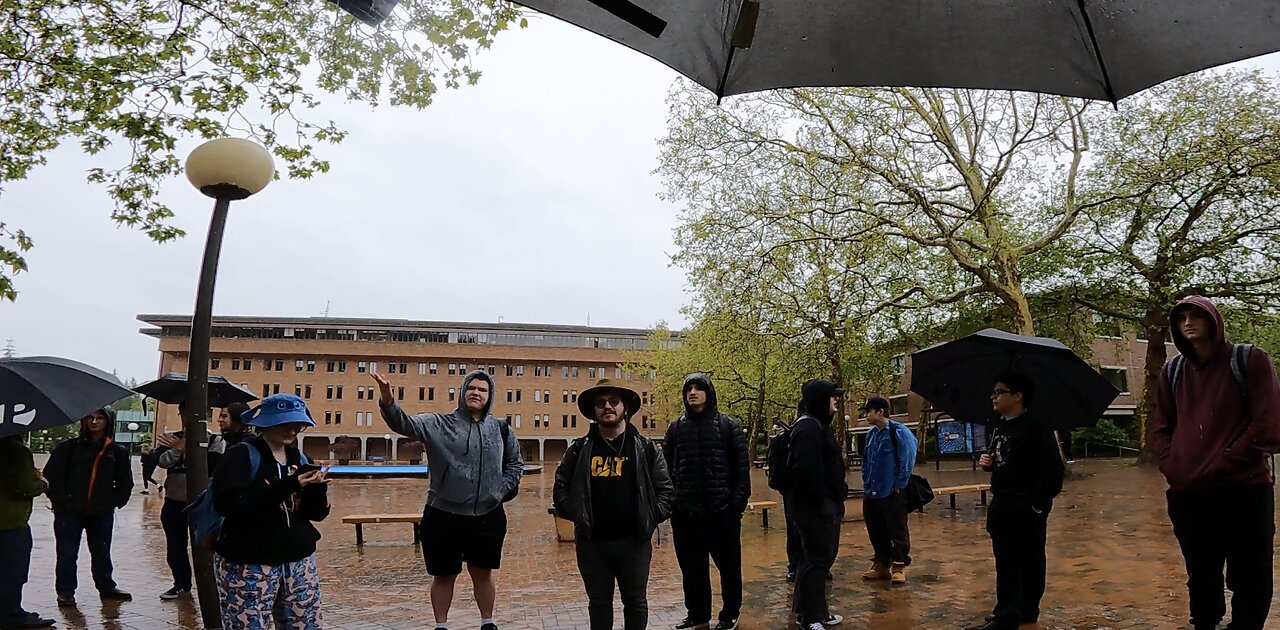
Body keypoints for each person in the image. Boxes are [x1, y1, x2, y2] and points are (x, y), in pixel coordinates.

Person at [1151, 296, 1280, 630]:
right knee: (1201, 572)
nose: (1188, 323)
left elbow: (1267, 426)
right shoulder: (1173, 370)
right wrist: (1172, 465)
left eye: (1197, 316)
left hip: (1244, 490)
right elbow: (1162, 425)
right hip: (1188, 493)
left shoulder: (1250, 360)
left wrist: (1221, 464)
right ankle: (1205, 624)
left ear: (1214, 320)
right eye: (1181, 319)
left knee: (1250, 572)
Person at [375, 369, 523, 630]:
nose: (476, 392)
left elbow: (515, 464)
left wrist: (499, 490)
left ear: (490, 396)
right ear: (463, 391)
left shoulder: (501, 428)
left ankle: (487, 622)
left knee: (483, 573)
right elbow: (404, 424)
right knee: (444, 575)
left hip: (487, 515)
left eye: (482, 390)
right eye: (471, 388)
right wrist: (388, 401)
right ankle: (441, 625)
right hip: (443, 514)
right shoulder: (439, 423)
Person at [554, 379, 674, 630]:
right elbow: (561, 487)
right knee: (599, 604)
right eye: (600, 403)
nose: (607, 406)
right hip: (592, 544)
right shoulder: (579, 449)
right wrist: (578, 514)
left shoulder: (645, 448)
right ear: (594, 410)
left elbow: (666, 491)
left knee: (636, 602)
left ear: (625, 408)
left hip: (634, 543)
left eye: (613, 401)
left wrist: (650, 518)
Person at [211, 394, 330, 629]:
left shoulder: (300, 458)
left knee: (306, 625)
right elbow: (229, 505)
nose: (293, 429)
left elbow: (315, 515)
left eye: (297, 423)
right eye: (285, 423)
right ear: (265, 422)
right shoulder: (241, 455)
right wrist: (289, 485)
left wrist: (317, 489)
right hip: (249, 563)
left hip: (298, 561)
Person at [966, 372, 1064, 630]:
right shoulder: (999, 425)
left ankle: (1023, 613)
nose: (993, 397)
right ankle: (1008, 612)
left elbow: (1053, 471)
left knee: (1030, 561)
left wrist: (1037, 504)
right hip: (1002, 503)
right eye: (993, 392)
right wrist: (987, 464)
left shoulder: (1036, 426)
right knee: (1006, 560)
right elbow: (1002, 460)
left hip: (1026, 506)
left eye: (999, 392)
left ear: (1018, 396)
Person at [663, 373, 750, 630]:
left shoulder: (727, 426)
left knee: (729, 569)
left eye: (699, 388)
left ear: (708, 393)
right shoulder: (675, 428)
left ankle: (729, 614)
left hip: (722, 513)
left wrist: (735, 506)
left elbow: (741, 472)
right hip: (686, 515)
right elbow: (665, 469)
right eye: (689, 388)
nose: (693, 392)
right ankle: (698, 615)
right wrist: (674, 503)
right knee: (693, 571)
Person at [43, 407, 134, 606]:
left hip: (101, 512)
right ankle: (66, 591)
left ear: (108, 422)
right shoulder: (68, 448)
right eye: (90, 418)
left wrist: (116, 501)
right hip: (69, 513)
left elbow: (124, 481)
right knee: (67, 553)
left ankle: (106, 586)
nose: (94, 422)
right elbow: (51, 476)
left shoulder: (117, 451)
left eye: (100, 418)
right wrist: (62, 501)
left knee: (101, 552)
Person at [788, 380, 849, 630]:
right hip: (815, 510)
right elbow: (806, 473)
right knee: (817, 561)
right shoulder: (809, 430)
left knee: (813, 561)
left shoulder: (818, 427)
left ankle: (813, 611)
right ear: (820, 399)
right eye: (832, 396)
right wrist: (825, 503)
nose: (836, 400)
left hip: (820, 507)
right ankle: (811, 618)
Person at [858, 396, 917, 584]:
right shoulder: (871, 434)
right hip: (872, 490)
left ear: (880, 412)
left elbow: (908, 458)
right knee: (875, 528)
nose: (866, 415)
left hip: (892, 490)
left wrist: (900, 483)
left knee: (897, 528)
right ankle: (882, 563)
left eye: (868, 411)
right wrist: (866, 481)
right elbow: (867, 460)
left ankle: (899, 565)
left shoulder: (899, 432)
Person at [0, 434, 55, 629]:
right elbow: (24, 486)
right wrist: (41, 482)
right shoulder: (14, 449)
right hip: (9, 522)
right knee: (12, 571)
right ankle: (11, 614)